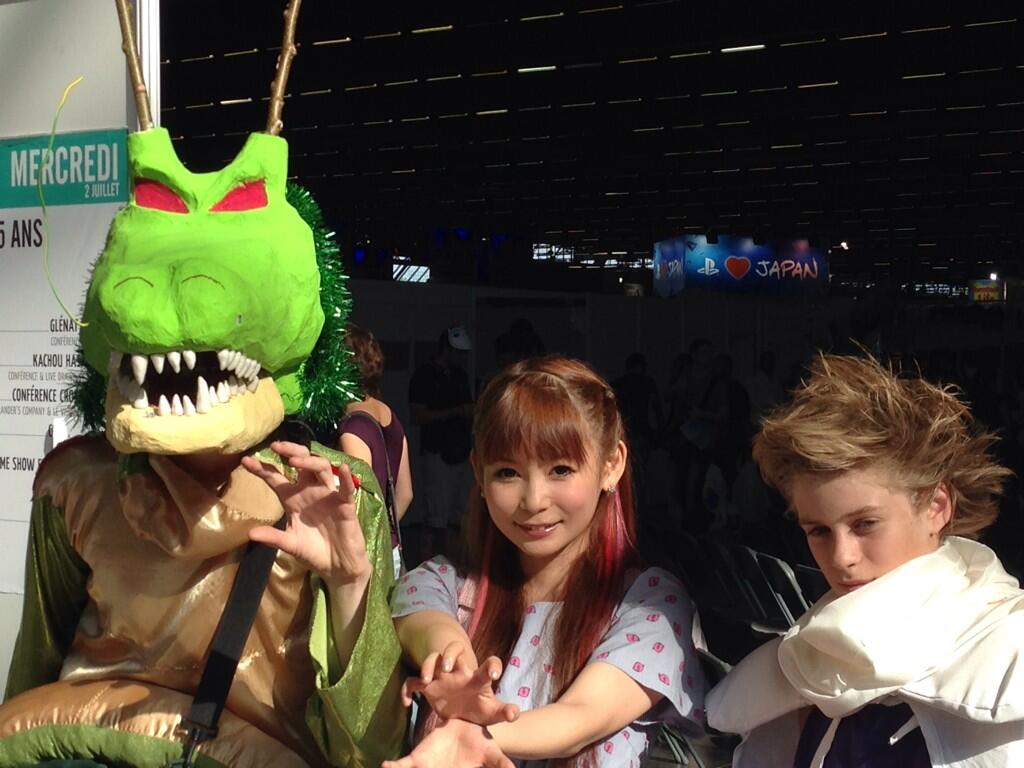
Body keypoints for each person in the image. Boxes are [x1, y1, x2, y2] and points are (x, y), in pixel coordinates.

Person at [386, 356, 706, 768]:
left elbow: (581, 717)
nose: (534, 501)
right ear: (479, 474)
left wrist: (476, 730)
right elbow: (425, 622)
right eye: (507, 472)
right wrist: (457, 665)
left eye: (560, 469)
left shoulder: (650, 604)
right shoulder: (447, 582)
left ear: (611, 465)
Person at [707, 354, 1024, 767]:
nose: (842, 558)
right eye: (819, 531)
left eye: (866, 524)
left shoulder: (1010, 652)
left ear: (936, 507)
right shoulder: (808, 661)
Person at [338, 324, 413, 574]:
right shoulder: (389, 415)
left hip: (365, 557)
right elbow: (405, 493)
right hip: (391, 551)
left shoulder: (352, 428)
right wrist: (386, 533)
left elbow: (358, 504)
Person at [408, 325, 475, 560]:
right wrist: (456, 411)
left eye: (464, 354)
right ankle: (430, 562)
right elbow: (417, 415)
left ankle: (458, 561)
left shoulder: (460, 376)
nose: (462, 358)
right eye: (458, 353)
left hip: (462, 452)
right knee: (436, 515)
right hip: (437, 452)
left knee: (461, 513)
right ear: (446, 349)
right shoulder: (424, 375)